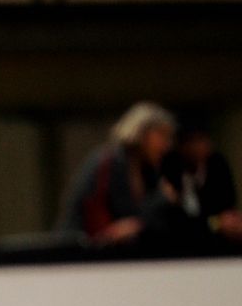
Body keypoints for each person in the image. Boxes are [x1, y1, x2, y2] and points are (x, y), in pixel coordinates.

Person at [57, 101, 176, 246]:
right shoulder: (108, 162)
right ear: (141, 131)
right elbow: (87, 211)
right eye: (162, 135)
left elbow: (138, 220)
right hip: (85, 249)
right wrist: (161, 199)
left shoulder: (149, 171)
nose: (166, 145)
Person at [161, 114, 242, 249]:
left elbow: (227, 206)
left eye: (202, 140)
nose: (198, 147)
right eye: (192, 141)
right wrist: (214, 223)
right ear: (181, 145)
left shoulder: (217, 165)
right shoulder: (169, 167)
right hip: (179, 241)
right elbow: (176, 221)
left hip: (218, 240)